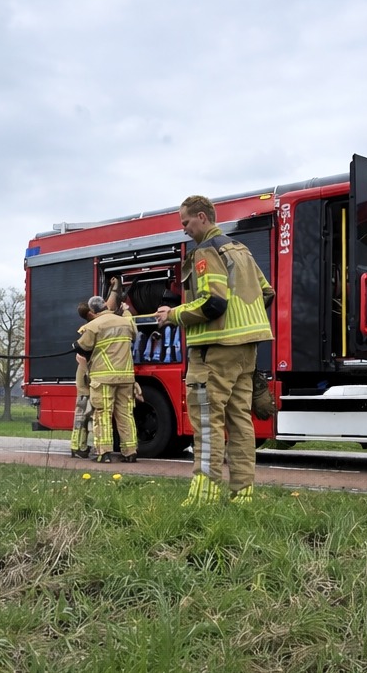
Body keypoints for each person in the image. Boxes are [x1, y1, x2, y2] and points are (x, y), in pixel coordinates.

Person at [156, 195, 275, 505]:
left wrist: (175, 315)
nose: (183, 229)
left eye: (186, 222)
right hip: (245, 352)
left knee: (208, 421)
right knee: (241, 423)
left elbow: (214, 302)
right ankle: (243, 495)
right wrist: (243, 328)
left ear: (202, 218)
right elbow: (267, 292)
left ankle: (204, 497)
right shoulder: (241, 250)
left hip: (214, 352)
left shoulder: (205, 252)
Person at [75, 293, 139, 463]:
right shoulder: (126, 322)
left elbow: (83, 346)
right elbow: (134, 334)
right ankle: (130, 452)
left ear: (93, 310)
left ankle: (104, 453)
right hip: (126, 377)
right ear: (105, 305)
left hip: (103, 377)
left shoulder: (94, 325)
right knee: (126, 414)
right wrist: (126, 313)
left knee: (103, 414)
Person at [69, 300, 96, 459]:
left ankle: (79, 446)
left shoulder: (87, 329)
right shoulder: (91, 330)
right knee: (84, 414)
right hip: (86, 377)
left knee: (83, 414)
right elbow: (84, 355)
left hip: (84, 375)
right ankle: (79, 447)